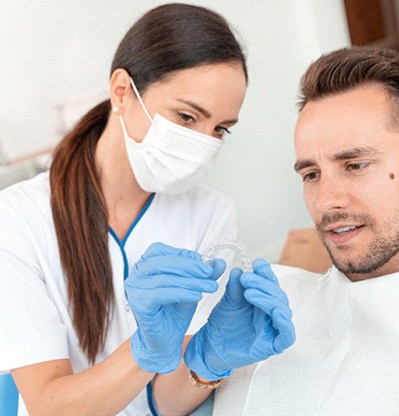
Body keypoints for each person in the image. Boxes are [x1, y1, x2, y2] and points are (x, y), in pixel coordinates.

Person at [0, 4, 294, 416]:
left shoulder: (209, 213)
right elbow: (49, 405)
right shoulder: (17, 220)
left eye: (220, 129)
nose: (203, 143)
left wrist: (211, 360)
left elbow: (165, 403)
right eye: (187, 116)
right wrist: (143, 352)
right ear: (122, 91)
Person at [210, 47, 399, 415]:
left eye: (355, 165)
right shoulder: (271, 311)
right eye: (311, 174)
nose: (325, 201)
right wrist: (199, 366)